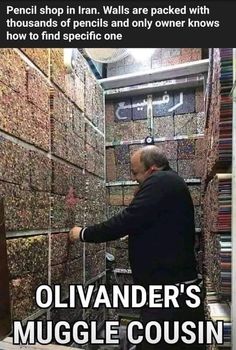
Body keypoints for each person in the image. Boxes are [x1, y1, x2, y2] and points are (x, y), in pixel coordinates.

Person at [69, 145, 205, 349]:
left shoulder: (162, 181)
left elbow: (127, 220)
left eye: (135, 173)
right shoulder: (169, 182)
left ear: (151, 169)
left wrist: (83, 233)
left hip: (169, 296)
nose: (134, 179)